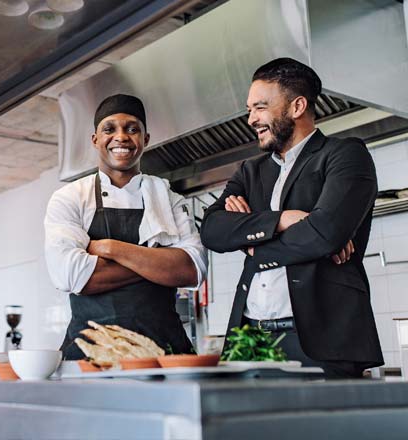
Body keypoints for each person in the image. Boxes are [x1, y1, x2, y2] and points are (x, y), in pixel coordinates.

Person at [200, 58, 383, 378]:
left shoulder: (344, 155)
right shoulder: (250, 171)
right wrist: (281, 220)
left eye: (260, 107)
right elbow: (213, 231)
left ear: (297, 106)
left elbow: (325, 233)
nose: (251, 119)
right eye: (249, 110)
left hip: (321, 339)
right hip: (251, 336)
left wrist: (252, 244)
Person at [44, 94, 208, 360]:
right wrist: (158, 263)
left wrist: (109, 248)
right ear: (95, 139)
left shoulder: (169, 199)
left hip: (163, 351)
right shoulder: (71, 197)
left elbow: (192, 269)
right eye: (109, 129)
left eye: (132, 129)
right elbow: (71, 276)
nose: (121, 137)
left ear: (145, 139)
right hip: (91, 351)